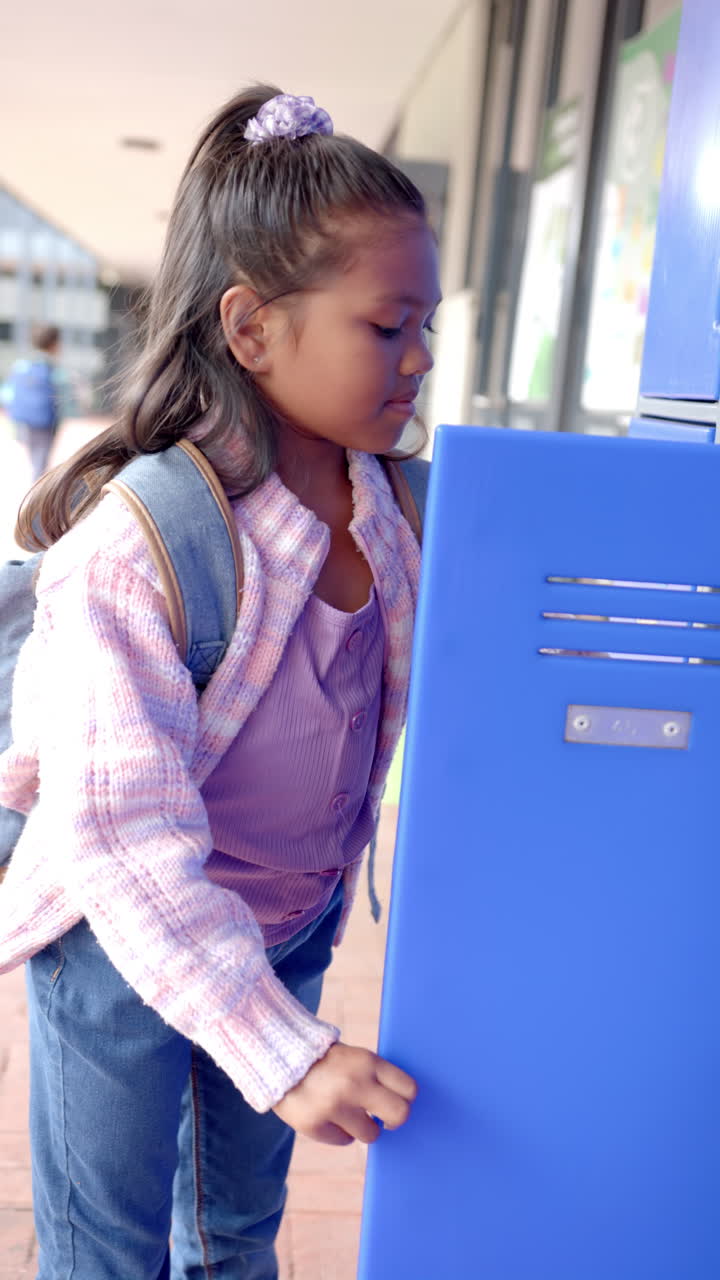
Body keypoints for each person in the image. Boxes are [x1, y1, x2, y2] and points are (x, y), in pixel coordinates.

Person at [0, 86, 441, 1279]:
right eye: (386, 325)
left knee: (237, 1231)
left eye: (427, 328)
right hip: (119, 932)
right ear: (252, 328)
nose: (419, 361)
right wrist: (284, 1051)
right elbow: (121, 827)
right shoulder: (136, 548)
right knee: (110, 1245)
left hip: (285, 925)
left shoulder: (401, 513)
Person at [3, 324, 68, 481]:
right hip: (45, 423)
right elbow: (65, 397)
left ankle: (35, 492)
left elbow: (6, 394)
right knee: (40, 463)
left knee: (34, 460)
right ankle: (35, 499)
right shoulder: (53, 369)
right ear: (54, 343)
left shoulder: (21, 365)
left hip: (23, 421)